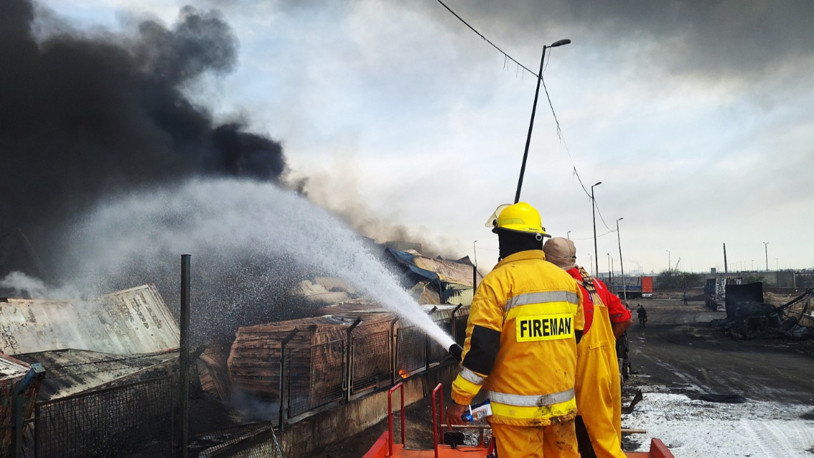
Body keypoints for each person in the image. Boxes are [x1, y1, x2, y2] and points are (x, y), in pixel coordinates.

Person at [446, 202, 585, 457]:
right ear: (538, 238)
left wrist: (460, 400)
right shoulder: (567, 282)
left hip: (515, 416)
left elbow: (483, 351)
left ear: (504, 239)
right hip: (561, 409)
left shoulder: (496, 284)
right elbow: (576, 334)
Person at [544, 237, 633, 458]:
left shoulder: (563, 288)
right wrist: (605, 344)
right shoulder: (595, 284)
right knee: (605, 431)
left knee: (589, 436)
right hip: (606, 365)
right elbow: (624, 318)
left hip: (582, 371)